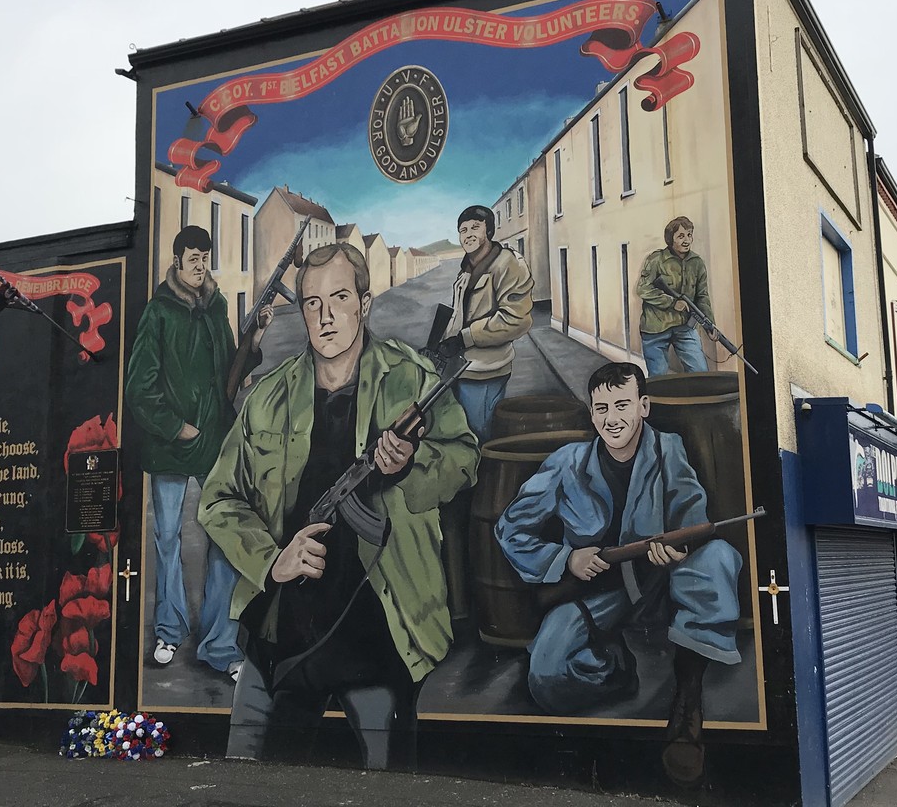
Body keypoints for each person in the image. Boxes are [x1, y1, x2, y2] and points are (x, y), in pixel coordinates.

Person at [198, 243, 479, 770]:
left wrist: (408, 464)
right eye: (311, 303)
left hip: (384, 613)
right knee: (252, 774)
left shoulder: (411, 378)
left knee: (390, 778)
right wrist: (271, 559)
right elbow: (217, 498)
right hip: (286, 619)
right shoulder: (269, 396)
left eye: (340, 297)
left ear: (365, 303)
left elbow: (464, 461)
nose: (325, 317)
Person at [495, 361, 743, 787]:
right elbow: (511, 528)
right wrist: (565, 560)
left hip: (663, 582)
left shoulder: (669, 449)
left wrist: (677, 545)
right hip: (598, 592)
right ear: (592, 414)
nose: (612, 418)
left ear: (643, 406)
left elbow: (692, 514)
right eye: (602, 408)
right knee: (546, 676)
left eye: (623, 405)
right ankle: (616, 670)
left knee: (716, 557)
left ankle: (687, 704)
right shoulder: (567, 463)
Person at [127, 225, 254, 679]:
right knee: (166, 538)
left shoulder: (216, 305)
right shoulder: (158, 313)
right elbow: (138, 387)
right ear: (177, 263)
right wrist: (174, 426)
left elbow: (228, 367)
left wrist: (252, 349)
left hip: (213, 439)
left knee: (223, 534)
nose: (200, 266)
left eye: (205, 258)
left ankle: (219, 644)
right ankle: (168, 629)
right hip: (171, 445)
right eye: (192, 259)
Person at [431, 205, 534, 442]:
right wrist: (441, 341)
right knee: (460, 438)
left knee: (478, 439)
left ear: (489, 230)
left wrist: (465, 338)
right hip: (458, 369)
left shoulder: (509, 264)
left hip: (486, 371)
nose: (468, 234)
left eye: (475, 227)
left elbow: (516, 318)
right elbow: (460, 314)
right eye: (463, 230)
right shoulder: (466, 269)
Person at [635, 217, 712, 377]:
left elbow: (702, 296)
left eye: (689, 235)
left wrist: (709, 325)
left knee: (700, 373)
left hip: (684, 326)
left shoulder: (697, 263)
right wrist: (671, 303)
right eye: (681, 236)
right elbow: (643, 289)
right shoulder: (656, 259)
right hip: (655, 327)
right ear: (671, 239)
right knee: (658, 378)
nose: (687, 240)